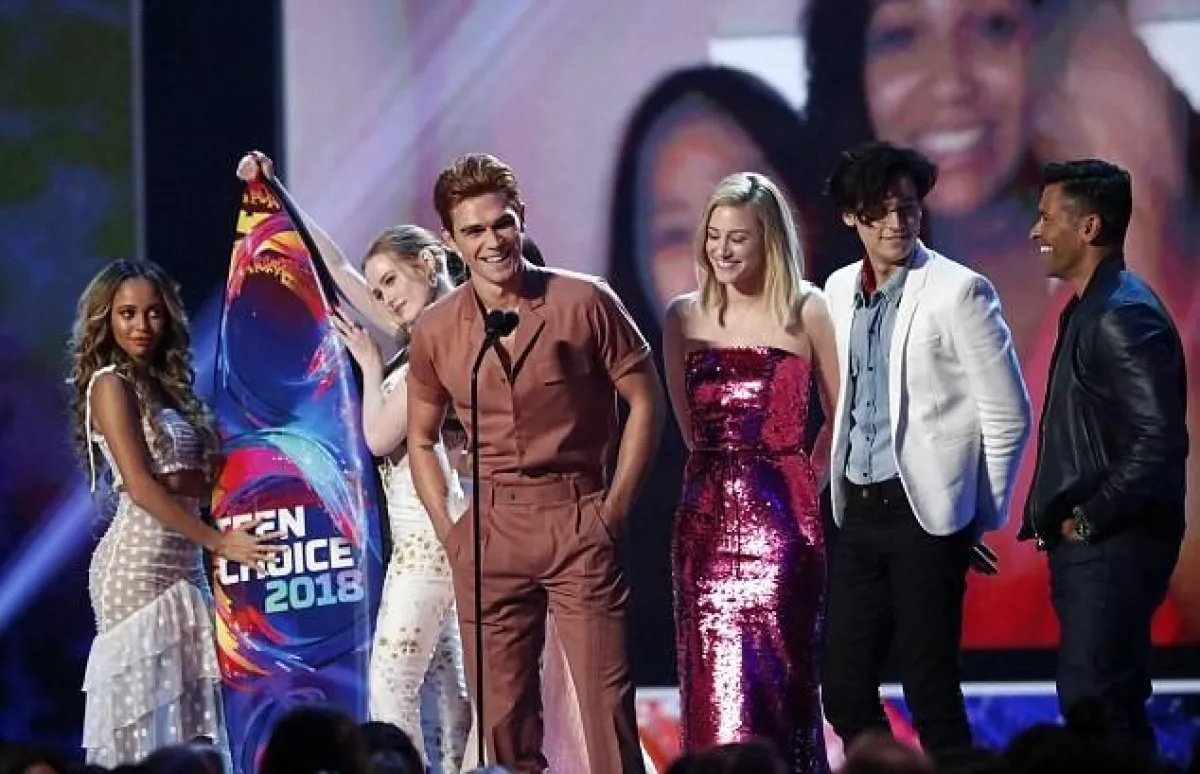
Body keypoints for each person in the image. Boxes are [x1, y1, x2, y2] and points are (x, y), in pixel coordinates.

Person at [801, 0, 1200, 648]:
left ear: (1049, 56)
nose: (952, 80)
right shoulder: (825, 307)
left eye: (991, 28)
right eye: (901, 37)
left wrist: (1140, 246)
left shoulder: (1163, 287)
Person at [405, 152, 663, 773]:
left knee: (606, 711)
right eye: (474, 230)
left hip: (578, 518)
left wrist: (613, 510)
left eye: (502, 223)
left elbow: (646, 400)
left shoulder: (584, 300)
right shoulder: (437, 328)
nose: (492, 241)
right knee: (502, 725)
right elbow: (421, 438)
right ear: (450, 240)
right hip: (490, 532)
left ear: (521, 216)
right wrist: (452, 531)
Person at [236, 153, 474, 772]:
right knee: (448, 694)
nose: (384, 298)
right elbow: (337, 267)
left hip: (431, 539)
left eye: (392, 281)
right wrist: (277, 193)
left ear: (428, 264)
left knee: (392, 683)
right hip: (431, 534)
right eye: (380, 288)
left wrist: (369, 366)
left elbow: (377, 436)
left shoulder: (446, 337)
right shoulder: (424, 332)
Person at [819, 142, 1031, 765]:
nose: (897, 222)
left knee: (930, 688)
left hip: (926, 516)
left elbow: (1008, 413)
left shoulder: (959, 291)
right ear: (851, 216)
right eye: (881, 209)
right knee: (845, 688)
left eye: (908, 208)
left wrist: (976, 516)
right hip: (858, 510)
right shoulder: (837, 289)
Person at [69, 259, 279, 766]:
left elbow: (194, 482)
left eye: (153, 313)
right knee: (149, 727)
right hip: (138, 571)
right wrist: (220, 541)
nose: (141, 325)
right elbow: (141, 486)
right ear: (106, 319)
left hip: (185, 565)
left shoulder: (166, 386)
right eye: (127, 313)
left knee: (192, 725)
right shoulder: (109, 383)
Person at [663, 172, 838, 771]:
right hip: (704, 527)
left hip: (782, 529)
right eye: (714, 236)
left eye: (737, 237)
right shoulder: (683, 317)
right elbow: (689, 428)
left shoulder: (807, 308)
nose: (722, 249)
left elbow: (840, 413)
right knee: (711, 683)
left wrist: (800, 484)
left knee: (782, 685)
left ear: (769, 239)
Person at [1022, 159, 1188, 758]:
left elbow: (1159, 440)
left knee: (1097, 705)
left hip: (1112, 544)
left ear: (1088, 227)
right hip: (1102, 545)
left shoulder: (1121, 313)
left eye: (1047, 218)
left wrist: (1090, 519)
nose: (1036, 231)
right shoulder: (1094, 305)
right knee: (1103, 703)